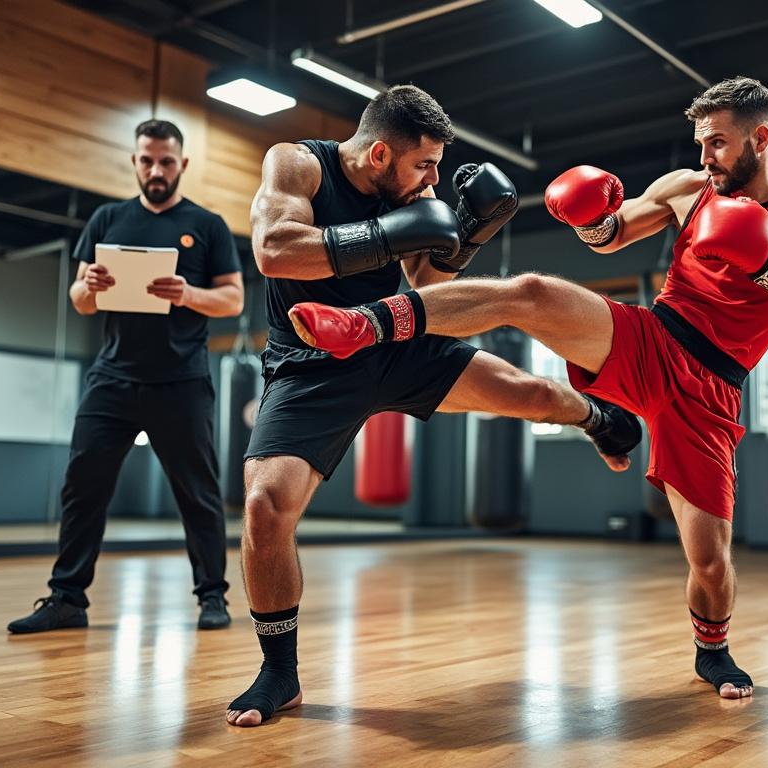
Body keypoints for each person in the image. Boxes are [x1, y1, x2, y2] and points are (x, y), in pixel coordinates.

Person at [290, 77, 768, 699]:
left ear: (761, 137)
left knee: (709, 559)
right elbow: (611, 234)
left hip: (712, 386)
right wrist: (589, 215)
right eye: (700, 144)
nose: (705, 159)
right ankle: (367, 324)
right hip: (649, 338)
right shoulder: (687, 189)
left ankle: (713, 651)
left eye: (718, 144)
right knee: (529, 293)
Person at [226, 85, 642, 727]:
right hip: (311, 362)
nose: (435, 179)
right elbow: (274, 250)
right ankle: (278, 672)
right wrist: (387, 233)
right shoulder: (298, 164)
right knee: (263, 505)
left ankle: (598, 419)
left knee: (528, 393)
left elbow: (427, 286)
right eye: (425, 165)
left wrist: (463, 240)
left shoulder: (411, 194)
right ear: (380, 153)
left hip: (396, 342)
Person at [8, 120, 244, 634]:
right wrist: (87, 285)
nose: (155, 169)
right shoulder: (107, 219)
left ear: (182, 164)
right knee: (82, 487)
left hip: (181, 380)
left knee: (197, 493)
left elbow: (233, 298)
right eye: (146, 160)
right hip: (112, 377)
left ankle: (212, 597)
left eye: (165, 161)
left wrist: (187, 294)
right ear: (135, 162)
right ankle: (67, 598)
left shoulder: (207, 226)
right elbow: (80, 301)